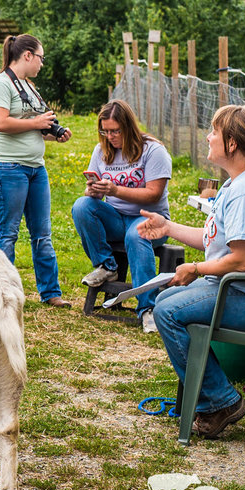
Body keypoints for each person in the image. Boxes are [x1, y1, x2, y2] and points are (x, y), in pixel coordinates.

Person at [137, 105, 245, 439]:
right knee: (168, 298)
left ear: (232, 143)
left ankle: (220, 402)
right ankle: (211, 397)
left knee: (166, 310)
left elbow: (243, 261)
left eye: (214, 130)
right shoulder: (237, 183)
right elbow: (217, 243)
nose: (208, 136)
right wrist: (167, 227)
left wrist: (195, 268)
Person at [0, 33, 73, 308]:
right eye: (41, 58)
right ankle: (0, 292)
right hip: (9, 167)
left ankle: (50, 292)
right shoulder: (0, 85)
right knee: (8, 232)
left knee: (42, 233)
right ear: (27, 56)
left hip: (36, 168)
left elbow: (34, 125)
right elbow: (0, 123)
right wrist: (35, 123)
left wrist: (52, 133)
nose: (42, 64)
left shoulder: (29, 87)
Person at [72, 99, 172, 332]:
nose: (110, 136)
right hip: (117, 217)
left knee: (136, 235)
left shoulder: (153, 150)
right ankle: (107, 266)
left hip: (150, 217)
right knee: (81, 206)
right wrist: (92, 191)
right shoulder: (102, 151)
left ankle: (148, 309)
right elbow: (92, 191)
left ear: (128, 127)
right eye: (105, 131)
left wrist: (115, 190)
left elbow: (154, 194)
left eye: (115, 131)